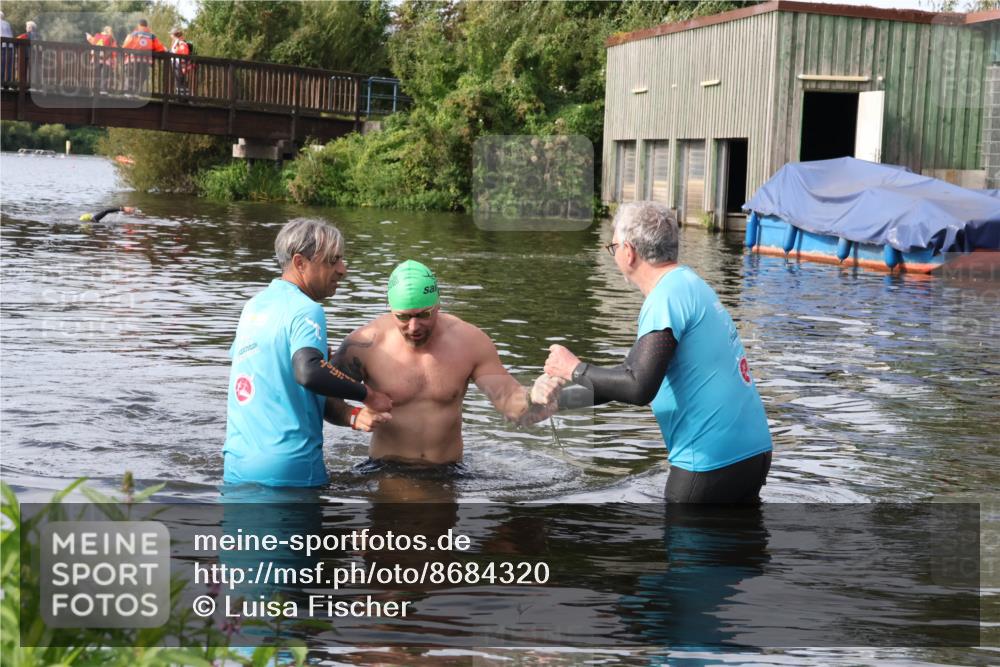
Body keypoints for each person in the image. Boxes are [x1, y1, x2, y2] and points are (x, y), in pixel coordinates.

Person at [543, 201, 773, 503]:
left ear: (629, 251)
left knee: (683, 549)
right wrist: (555, 402)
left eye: (612, 248)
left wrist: (573, 368)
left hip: (708, 461)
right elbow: (626, 377)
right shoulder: (689, 284)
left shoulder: (664, 298)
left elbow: (639, 387)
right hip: (752, 451)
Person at [326, 259, 559, 469]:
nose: (414, 326)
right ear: (390, 308)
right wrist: (353, 416)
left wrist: (536, 397)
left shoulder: (470, 342)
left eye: (424, 314)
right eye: (404, 317)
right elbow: (323, 396)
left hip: (449, 472)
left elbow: (511, 405)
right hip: (386, 469)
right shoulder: (365, 344)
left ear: (438, 304)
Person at [224, 219, 393, 488]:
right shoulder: (306, 309)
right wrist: (369, 395)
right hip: (292, 469)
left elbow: (281, 384)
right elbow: (309, 372)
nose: (343, 270)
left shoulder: (253, 307)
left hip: (237, 465)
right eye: (332, 261)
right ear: (300, 262)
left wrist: (352, 415)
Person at [121, 19, 164, 94]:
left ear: (139, 25)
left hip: (132, 60)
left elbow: (125, 46)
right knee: (142, 76)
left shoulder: (133, 34)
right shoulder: (152, 36)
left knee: (131, 76)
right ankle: (136, 93)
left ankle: (128, 93)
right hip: (145, 61)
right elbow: (160, 49)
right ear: (147, 26)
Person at [86, 26, 117, 93]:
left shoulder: (97, 36)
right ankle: (103, 90)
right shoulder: (111, 38)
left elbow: (92, 41)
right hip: (106, 60)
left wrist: (88, 36)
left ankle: (94, 90)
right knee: (104, 75)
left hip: (95, 58)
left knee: (96, 75)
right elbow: (114, 49)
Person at [168, 27, 193, 96]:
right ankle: (180, 97)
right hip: (177, 64)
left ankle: (183, 98)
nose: (170, 36)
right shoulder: (176, 42)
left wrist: (184, 67)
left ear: (174, 35)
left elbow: (184, 55)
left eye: (171, 34)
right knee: (179, 81)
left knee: (181, 81)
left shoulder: (181, 44)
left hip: (180, 66)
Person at [1, 12, 13, 88]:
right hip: (9, 46)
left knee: (1, 64)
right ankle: (7, 84)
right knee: (8, 65)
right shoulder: (7, 23)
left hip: (1, 45)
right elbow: (11, 34)